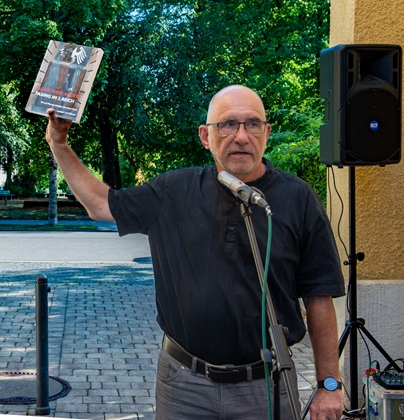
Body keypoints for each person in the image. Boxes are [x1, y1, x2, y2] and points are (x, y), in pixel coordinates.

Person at [45, 85, 345, 419]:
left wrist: (328, 384)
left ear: (267, 132)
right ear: (205, 136)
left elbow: (319, 297)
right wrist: (59, 144)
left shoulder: (298, 198)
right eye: (228, 124)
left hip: (267, 387)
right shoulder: (172, 191)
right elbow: (100, 203)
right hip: (184, 386)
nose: (242, 136)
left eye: (253, 124)